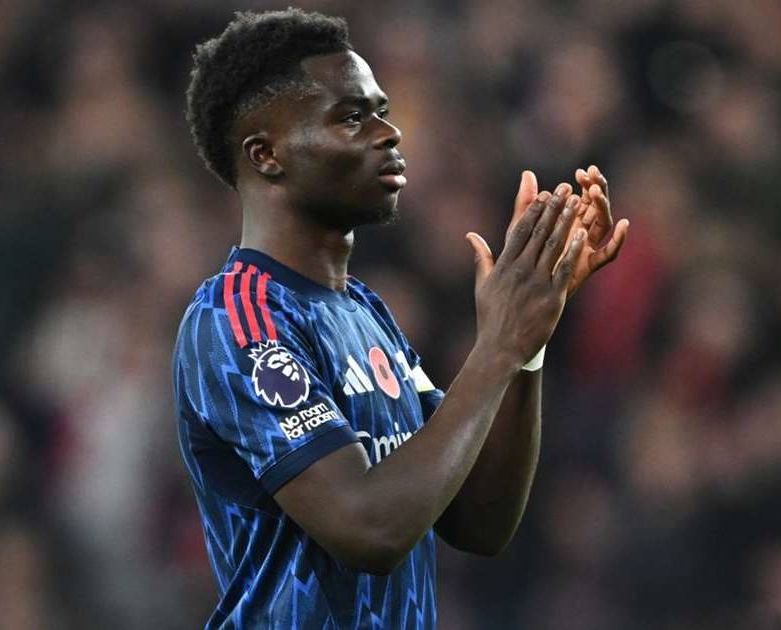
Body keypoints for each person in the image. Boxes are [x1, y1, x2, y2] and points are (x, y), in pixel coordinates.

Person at [173, 8, 628, 629]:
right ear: (267, 154)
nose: (389, 133)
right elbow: (369, 527)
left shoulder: (365, 312)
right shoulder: (238, 320)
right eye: (351, 117)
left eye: (382, 111)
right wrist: (497, 342)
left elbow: (479, 521)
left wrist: (528, 341)